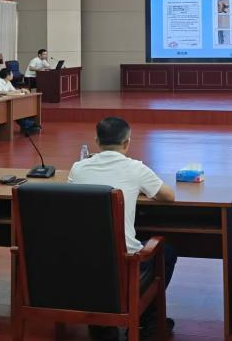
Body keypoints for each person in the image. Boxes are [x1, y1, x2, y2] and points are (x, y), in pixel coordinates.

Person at [69, 117, 177, 339]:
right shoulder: (135, 168)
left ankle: (102, 324)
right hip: (124, 263)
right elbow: (168, 196)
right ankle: (145, 321)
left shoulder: (78, 168)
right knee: (166, 251)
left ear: (97, 141)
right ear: (127, 142)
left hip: (82, 262)